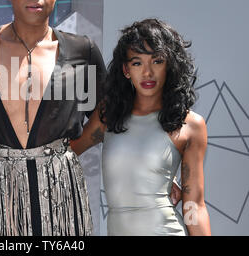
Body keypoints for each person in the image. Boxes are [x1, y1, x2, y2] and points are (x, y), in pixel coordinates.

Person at [0, 0, 106, 236]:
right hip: (0, 188)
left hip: (62, 187)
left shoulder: (83, 50)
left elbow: (105, 112)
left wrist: (67, 152)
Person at [71, 18, 211, 235]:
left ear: (170, 65)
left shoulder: (191, 125)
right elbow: (67, 151)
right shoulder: (109, 115)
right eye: (137, 63)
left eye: (157, 61)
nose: (147, 73)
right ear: (126, 69)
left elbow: (194, 206)